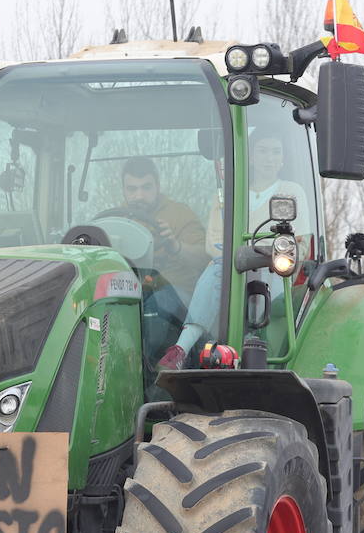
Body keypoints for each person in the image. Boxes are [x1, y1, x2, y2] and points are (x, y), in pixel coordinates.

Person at [156, 134, 308, 369]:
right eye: (263, 151)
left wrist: (257, 253)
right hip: (229, 272)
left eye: (275, 152)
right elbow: (211, 245)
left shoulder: (290, 191)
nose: (269, 158)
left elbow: (300, 246)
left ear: (283, 159)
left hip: (275, 275)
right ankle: (197, 352)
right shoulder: (229, 194)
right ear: (252, 157)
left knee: (223, 269)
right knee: (217, 269)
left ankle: (186, 347)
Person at [119, 157, 208, 298]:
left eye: (146, 187)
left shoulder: (181, 214)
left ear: (158, 186)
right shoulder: (116, 221)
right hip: (128, 290)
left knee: (155, 298)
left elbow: (205, 259)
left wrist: (176, 246)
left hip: (175, 294)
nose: (139, 195)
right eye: (132, 189)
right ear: (123, 190)